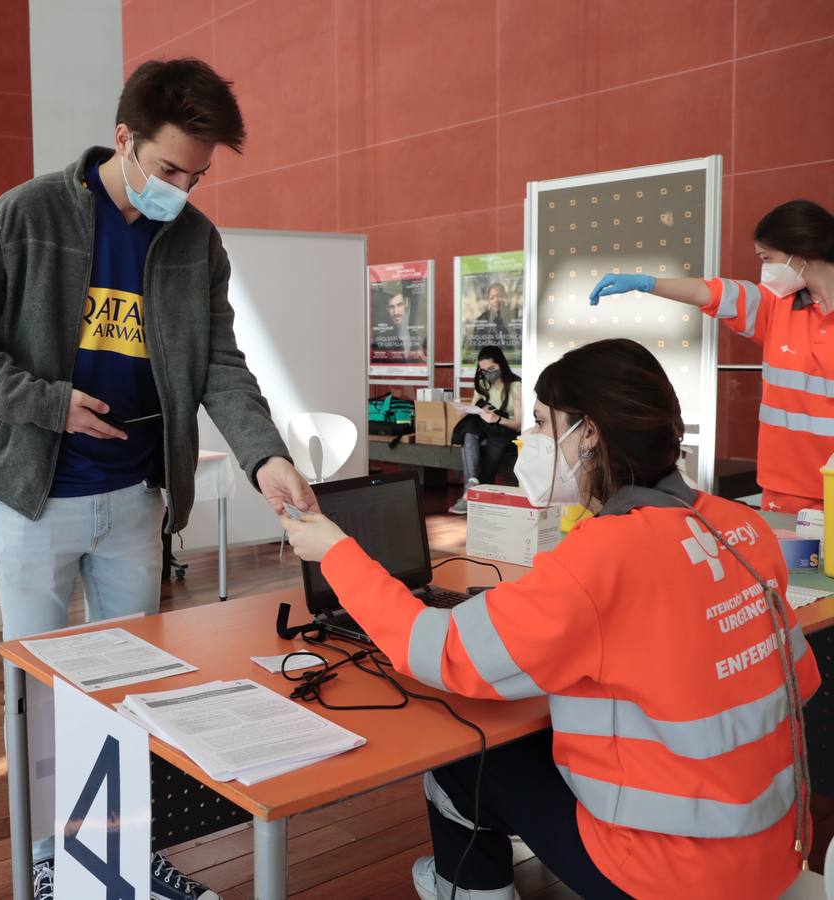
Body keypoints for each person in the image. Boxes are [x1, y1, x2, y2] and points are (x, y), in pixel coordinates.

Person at [0, 57, 313, 900]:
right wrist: (46, 403)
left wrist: (266, 455)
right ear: (123, 140)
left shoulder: (196, 240)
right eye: (170, 168)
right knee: (38, 692)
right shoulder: (26, 215)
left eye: (199, 174)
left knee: (133, 690)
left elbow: (220, 363)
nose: (181, 187)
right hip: (37, 494)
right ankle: (45, 857)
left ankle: (124, 848)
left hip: (137, 500)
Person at [282, 338, 820, 899]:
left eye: (541, 424)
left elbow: (438, 651)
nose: (529, 440)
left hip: (667, 873)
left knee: (462, 763)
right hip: (774, 845)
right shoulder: (742, 528)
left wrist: (337, 552)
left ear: (588, 433)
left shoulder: (607, 556)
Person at [590, 199, 834, 514]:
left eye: (768, 258)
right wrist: (646, 284)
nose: (765, 270)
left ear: (800, 253)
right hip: (785, 488)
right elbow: (710, 292)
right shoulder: (773, 306)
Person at [449, 345, 523, 515]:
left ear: (501, 365)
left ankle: (470, 494)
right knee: (469, 427)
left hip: (505, 431)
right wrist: (465, 411)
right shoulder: (482, 384)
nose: (488, 374)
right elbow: (475, 409)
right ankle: (473, 482)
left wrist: (497, 418)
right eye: (483, 370)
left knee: (480, 441)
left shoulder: (516, 386)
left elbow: (518, 424)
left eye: (492, 369)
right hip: (484, 428)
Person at [472, 282, 513, 351]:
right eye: (492, 298)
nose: (496, 300)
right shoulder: (482, 320)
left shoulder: (513, 316)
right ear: (488, 300)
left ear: (505, 296)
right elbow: (477, 346)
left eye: (499, 296)